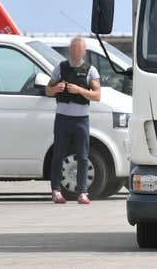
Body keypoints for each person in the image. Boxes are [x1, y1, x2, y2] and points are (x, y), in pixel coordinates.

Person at [45, 37, 101, 204]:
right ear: (70, 50)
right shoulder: (60, 68)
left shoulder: (91, 71)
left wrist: (79, 90)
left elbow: (97, 96)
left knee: (83, 156)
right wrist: (55, 89)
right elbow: (48, 90)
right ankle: (56, 190)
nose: (76, 52)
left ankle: (83, 192)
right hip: (62, 118)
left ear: (84, 51)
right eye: (74, 49)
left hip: (81, 119)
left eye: (80, 49)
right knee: (58, 154)